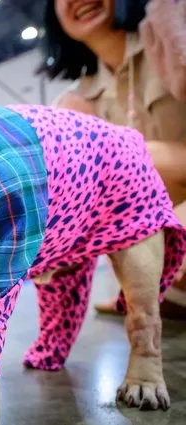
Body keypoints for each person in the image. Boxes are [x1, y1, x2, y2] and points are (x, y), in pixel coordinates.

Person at [40, 0, 186, 318]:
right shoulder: (78, 101)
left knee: (137, 159)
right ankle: (151, 289)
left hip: (172, 239)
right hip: (162, 269)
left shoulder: (170, 31)